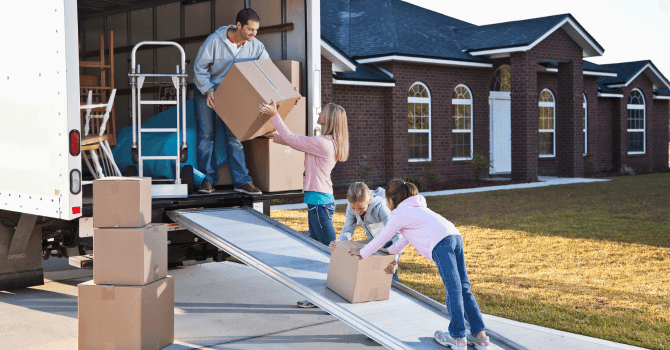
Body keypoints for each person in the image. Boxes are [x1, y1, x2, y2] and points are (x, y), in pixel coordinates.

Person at [348, 179, 491, 350]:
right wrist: (391, 251)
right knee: (463, 287)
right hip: (454, 235)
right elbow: (405, 239)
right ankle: (479, 337)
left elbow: (382, 237)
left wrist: (363, 253)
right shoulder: (417, 209)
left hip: (442, 243)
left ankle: (457, 337)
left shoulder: (399, 213)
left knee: (454, 289)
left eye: (387, 200)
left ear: (391, 200)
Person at [260, 101, 349, 309]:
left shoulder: (323, 143)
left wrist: (275, 115)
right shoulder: (324, 141)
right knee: (319, 252)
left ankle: (337, 299)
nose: (320, 113)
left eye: (323, 112)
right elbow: (294, 142)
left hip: (319, 203)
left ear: (331, 119)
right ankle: (320, 298)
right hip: (317, 202)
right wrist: (270, 136)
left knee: (330, 253)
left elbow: (294, 139)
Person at [193, 8, 268, 195]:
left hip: (233, 94)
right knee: (206, 136)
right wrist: (208, 90)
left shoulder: (256, 46)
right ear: (239, 26)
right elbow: (199, 68)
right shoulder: (214, 41)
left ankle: (242, 181)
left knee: (234, 138)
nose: (254, 34)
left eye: (256, 30)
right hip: (206, 91)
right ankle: (207, 181)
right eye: (251, 30)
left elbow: (265, 69)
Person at [329, 182, 403, 281]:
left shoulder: (381, 207)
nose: (356, 211)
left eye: (361, 208)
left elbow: (397, 235)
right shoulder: (352, 208)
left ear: (369, 200)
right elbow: (347, 230)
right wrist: (339, 242)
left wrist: (395, 258)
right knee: (374, 278)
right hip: (373, 244)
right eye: (353, 207)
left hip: (391, 246)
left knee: (390, 279)